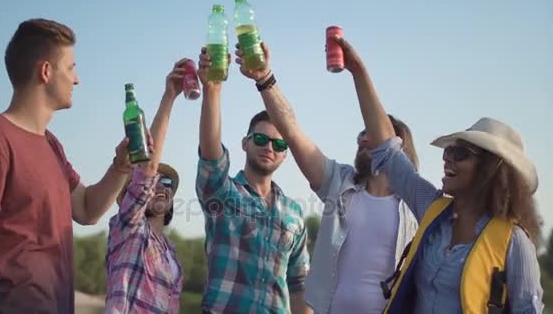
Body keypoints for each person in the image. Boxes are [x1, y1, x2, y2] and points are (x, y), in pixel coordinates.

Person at [337, 34, 544, 313]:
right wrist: (358, 72)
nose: (447, 158)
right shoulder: (432, 209)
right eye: (448, 152)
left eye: (459, 154)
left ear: (491, 170)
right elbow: (388, 151)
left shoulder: (515, 244)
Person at [0, 18, 140, 313]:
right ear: (46, 72)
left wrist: (121, 166)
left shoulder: (51, 145)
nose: (77, 79)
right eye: (71, 68)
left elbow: (88, 210)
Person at [234, 41, 419, 314]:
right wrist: (264, 79)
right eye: (361, 133)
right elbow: (292, 132)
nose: (362, 138)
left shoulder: (418, 206)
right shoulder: (338, 183)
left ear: (397, 147)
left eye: (373, 134)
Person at [195, 46, 311, 313]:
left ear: (285, 155)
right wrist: (212, 90)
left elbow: (299, 284)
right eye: (260, 139)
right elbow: (211, 159)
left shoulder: (294, 214)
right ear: (246, 144)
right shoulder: (222, 193)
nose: (269, 147)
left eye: (279, 144)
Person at [104, 59, 189, 313]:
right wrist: (169, 96)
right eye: (155, 181)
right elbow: (145, 171)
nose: (160, 186)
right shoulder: (127, 228)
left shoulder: (171, 254)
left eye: (167, 183)